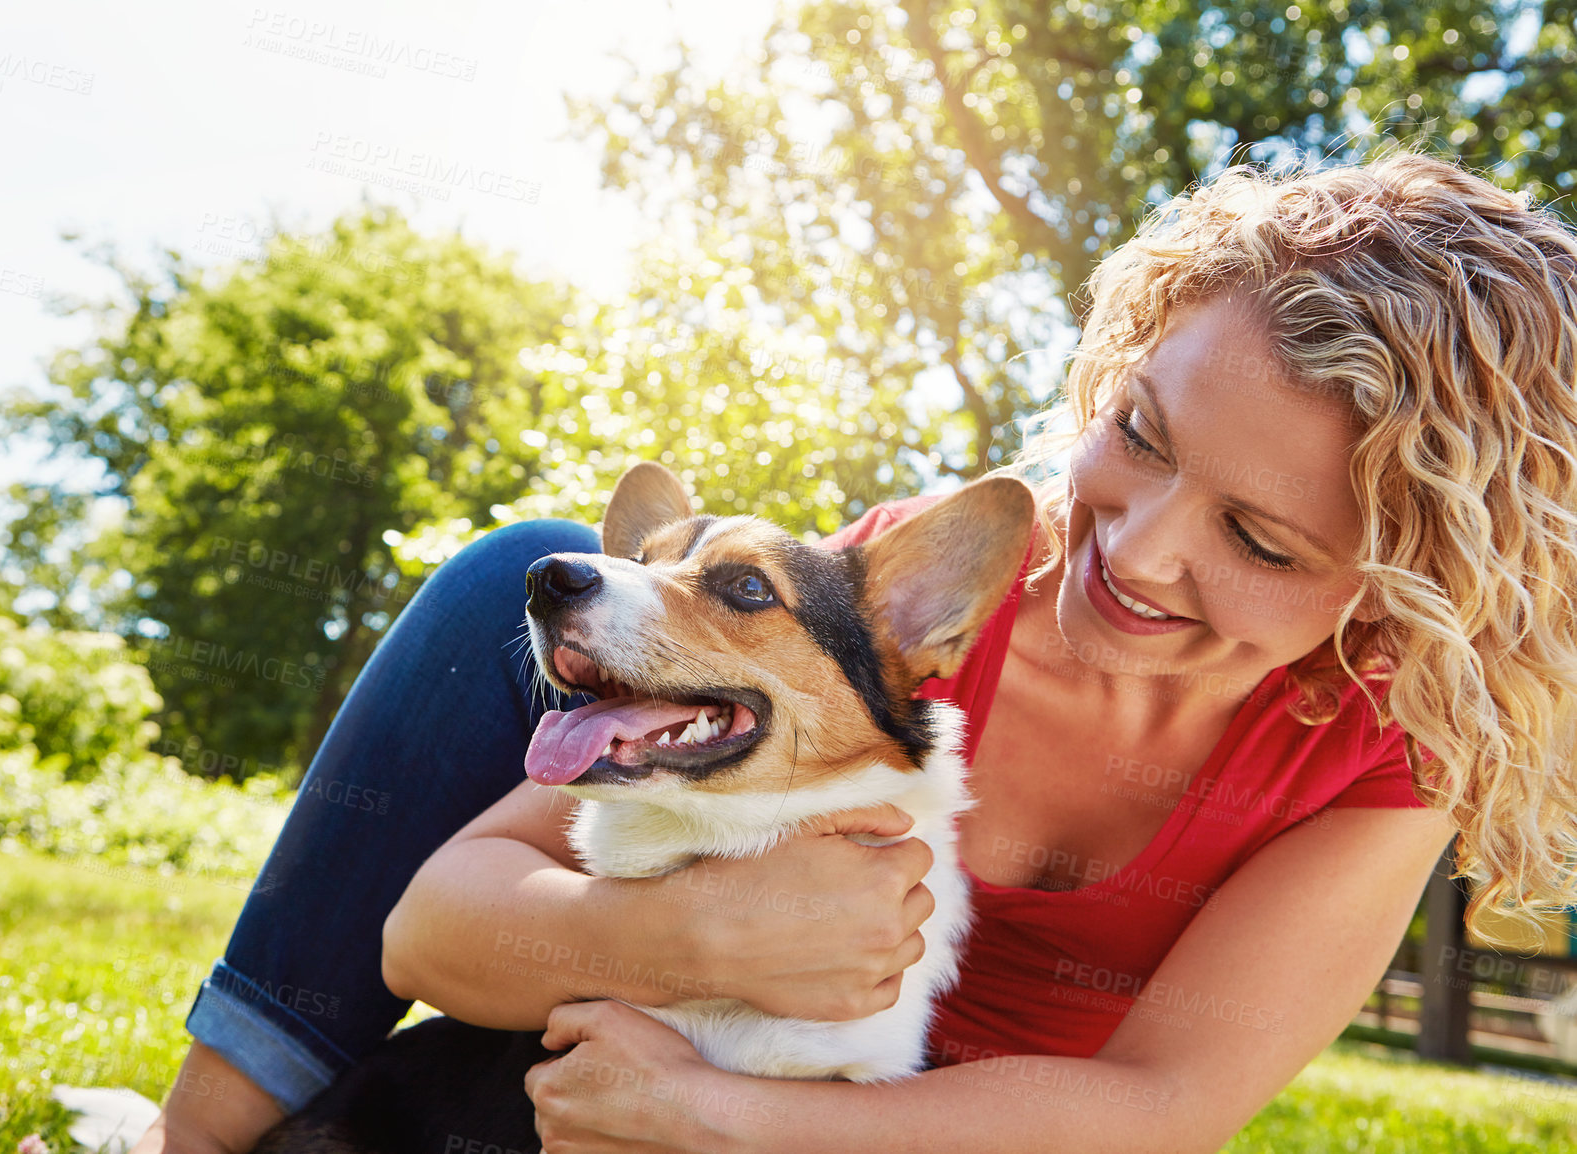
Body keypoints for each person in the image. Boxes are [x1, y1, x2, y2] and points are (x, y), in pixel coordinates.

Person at [133, 152, 1577, 1153]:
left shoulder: (1383, 759)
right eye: (1138, 433)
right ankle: (198, 1130)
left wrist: (725, 1119)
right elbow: (441, 927)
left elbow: (1161, 1108)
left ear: (1398, 587)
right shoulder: (920, 599)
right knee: (524, 574)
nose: (1131, 551)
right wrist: (692, 935)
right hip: (699, 1027)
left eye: (1260, 542)